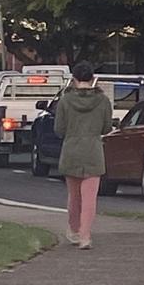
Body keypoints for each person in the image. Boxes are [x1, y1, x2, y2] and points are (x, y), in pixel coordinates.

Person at [54, 62, 112, 250]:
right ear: (93, 78)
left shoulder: (65, 100)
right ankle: (85, 236)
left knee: (74, 196)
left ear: (74, 79)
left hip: (71, 149)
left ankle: (74, 230)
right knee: (89, 198)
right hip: (93, 151)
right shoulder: (102, 101)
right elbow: (107, 127)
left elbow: (59, 129)